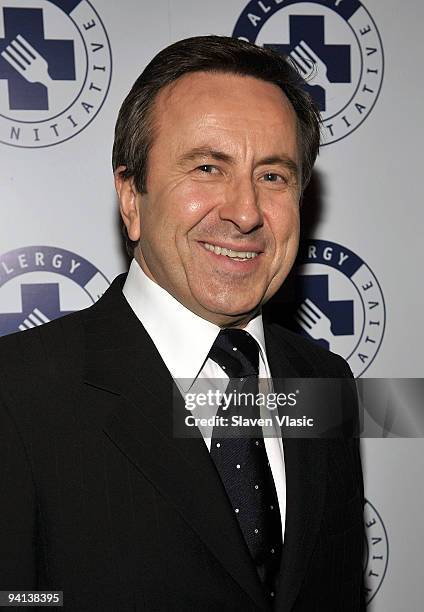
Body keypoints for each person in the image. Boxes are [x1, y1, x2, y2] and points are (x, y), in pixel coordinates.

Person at [0, 36, 365, 610]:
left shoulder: (323, 380)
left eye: (273, 176)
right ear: (130, 197)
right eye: (207, 167)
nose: (245, 212)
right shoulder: (17, 392)